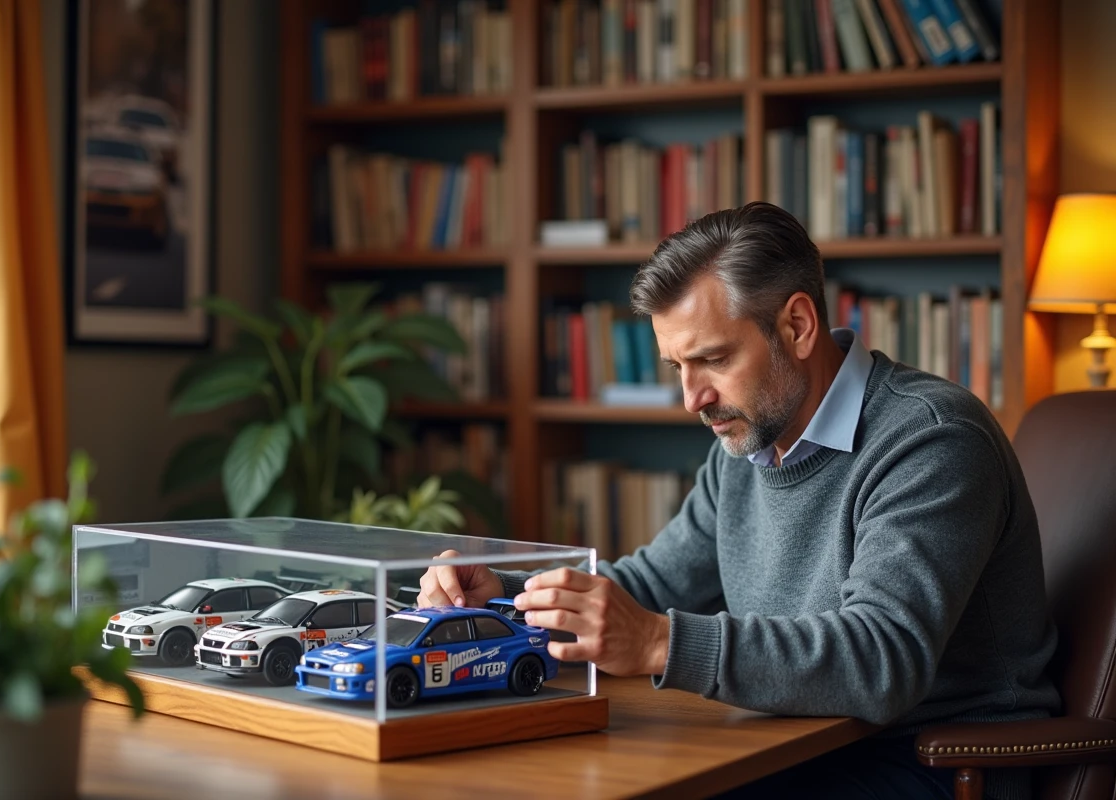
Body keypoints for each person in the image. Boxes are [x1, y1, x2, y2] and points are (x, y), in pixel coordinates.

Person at [417, 202, 1059, 799]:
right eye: (677, 368)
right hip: (802, 742)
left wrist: (657, 644)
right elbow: (648, 585)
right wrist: (500, 596)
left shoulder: (930, 440)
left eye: (713, 359)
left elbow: (881, 658)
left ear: (798, 325)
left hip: (939, 764)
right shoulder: (751, 445)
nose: (692, 398)